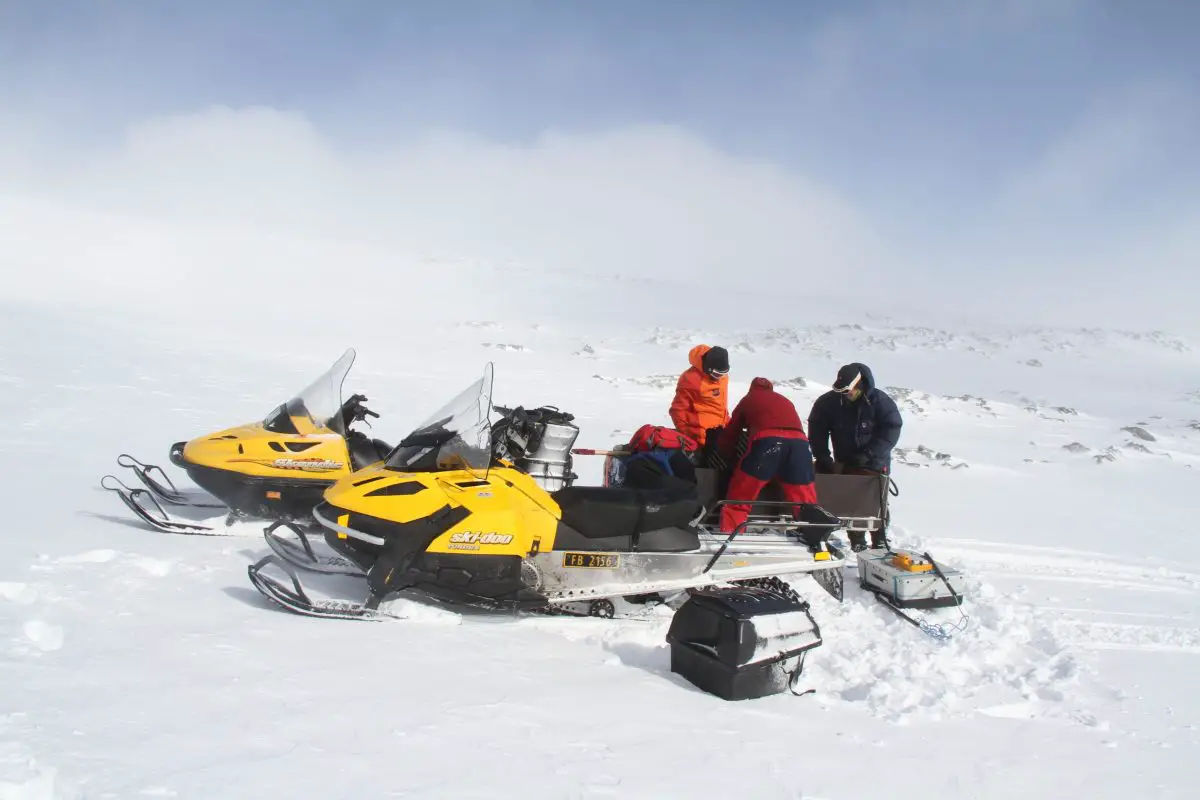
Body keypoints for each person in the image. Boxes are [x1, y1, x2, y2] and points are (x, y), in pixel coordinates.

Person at [715, 377, 818, 533]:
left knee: (740, 495)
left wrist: (723, 454)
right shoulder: (785, 400)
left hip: (767, 444)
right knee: (804, 499)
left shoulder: (749, 399)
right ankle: (813, 534)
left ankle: (730, 534)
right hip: (800, 446)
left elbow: (731, 433)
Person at [807, 362, 902, 476]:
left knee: (869, 494)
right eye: (841, 391)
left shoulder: (881, 402)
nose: (845, 394)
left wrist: (869, 454)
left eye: (848, 390)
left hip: (874, 467)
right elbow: (817, 429)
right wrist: (822, 457)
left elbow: (891, 430)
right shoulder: (827, 403)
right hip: (843, 466)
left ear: (859, 384)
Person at [668, 344, 730, 459]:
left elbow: (720, 405)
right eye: (717, 374)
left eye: (723, 373)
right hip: (701, 439)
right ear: (708, 368)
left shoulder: (723, 378)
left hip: (720, 434)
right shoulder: (690, 379)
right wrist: (687, 434)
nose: (719, 377)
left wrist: (729, 424)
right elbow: (677, 410)